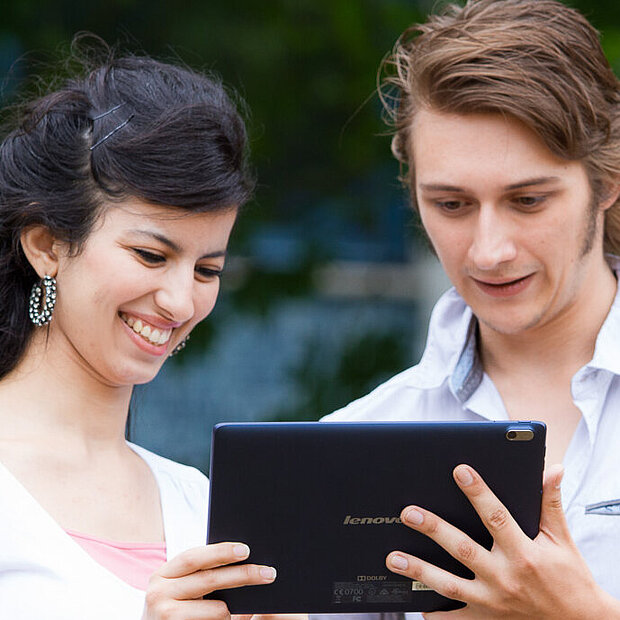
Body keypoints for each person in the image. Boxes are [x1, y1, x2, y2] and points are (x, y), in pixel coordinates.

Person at [324, 0, 620, 617]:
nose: (489, 251)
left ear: (607, 179)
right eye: (452, 205)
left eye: (529, 200)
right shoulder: (355, 443)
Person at [0, 43, 279, 619]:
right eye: (151, 255)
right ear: (47, 246)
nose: (181, 301)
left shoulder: (204, 506)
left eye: (208, 270)